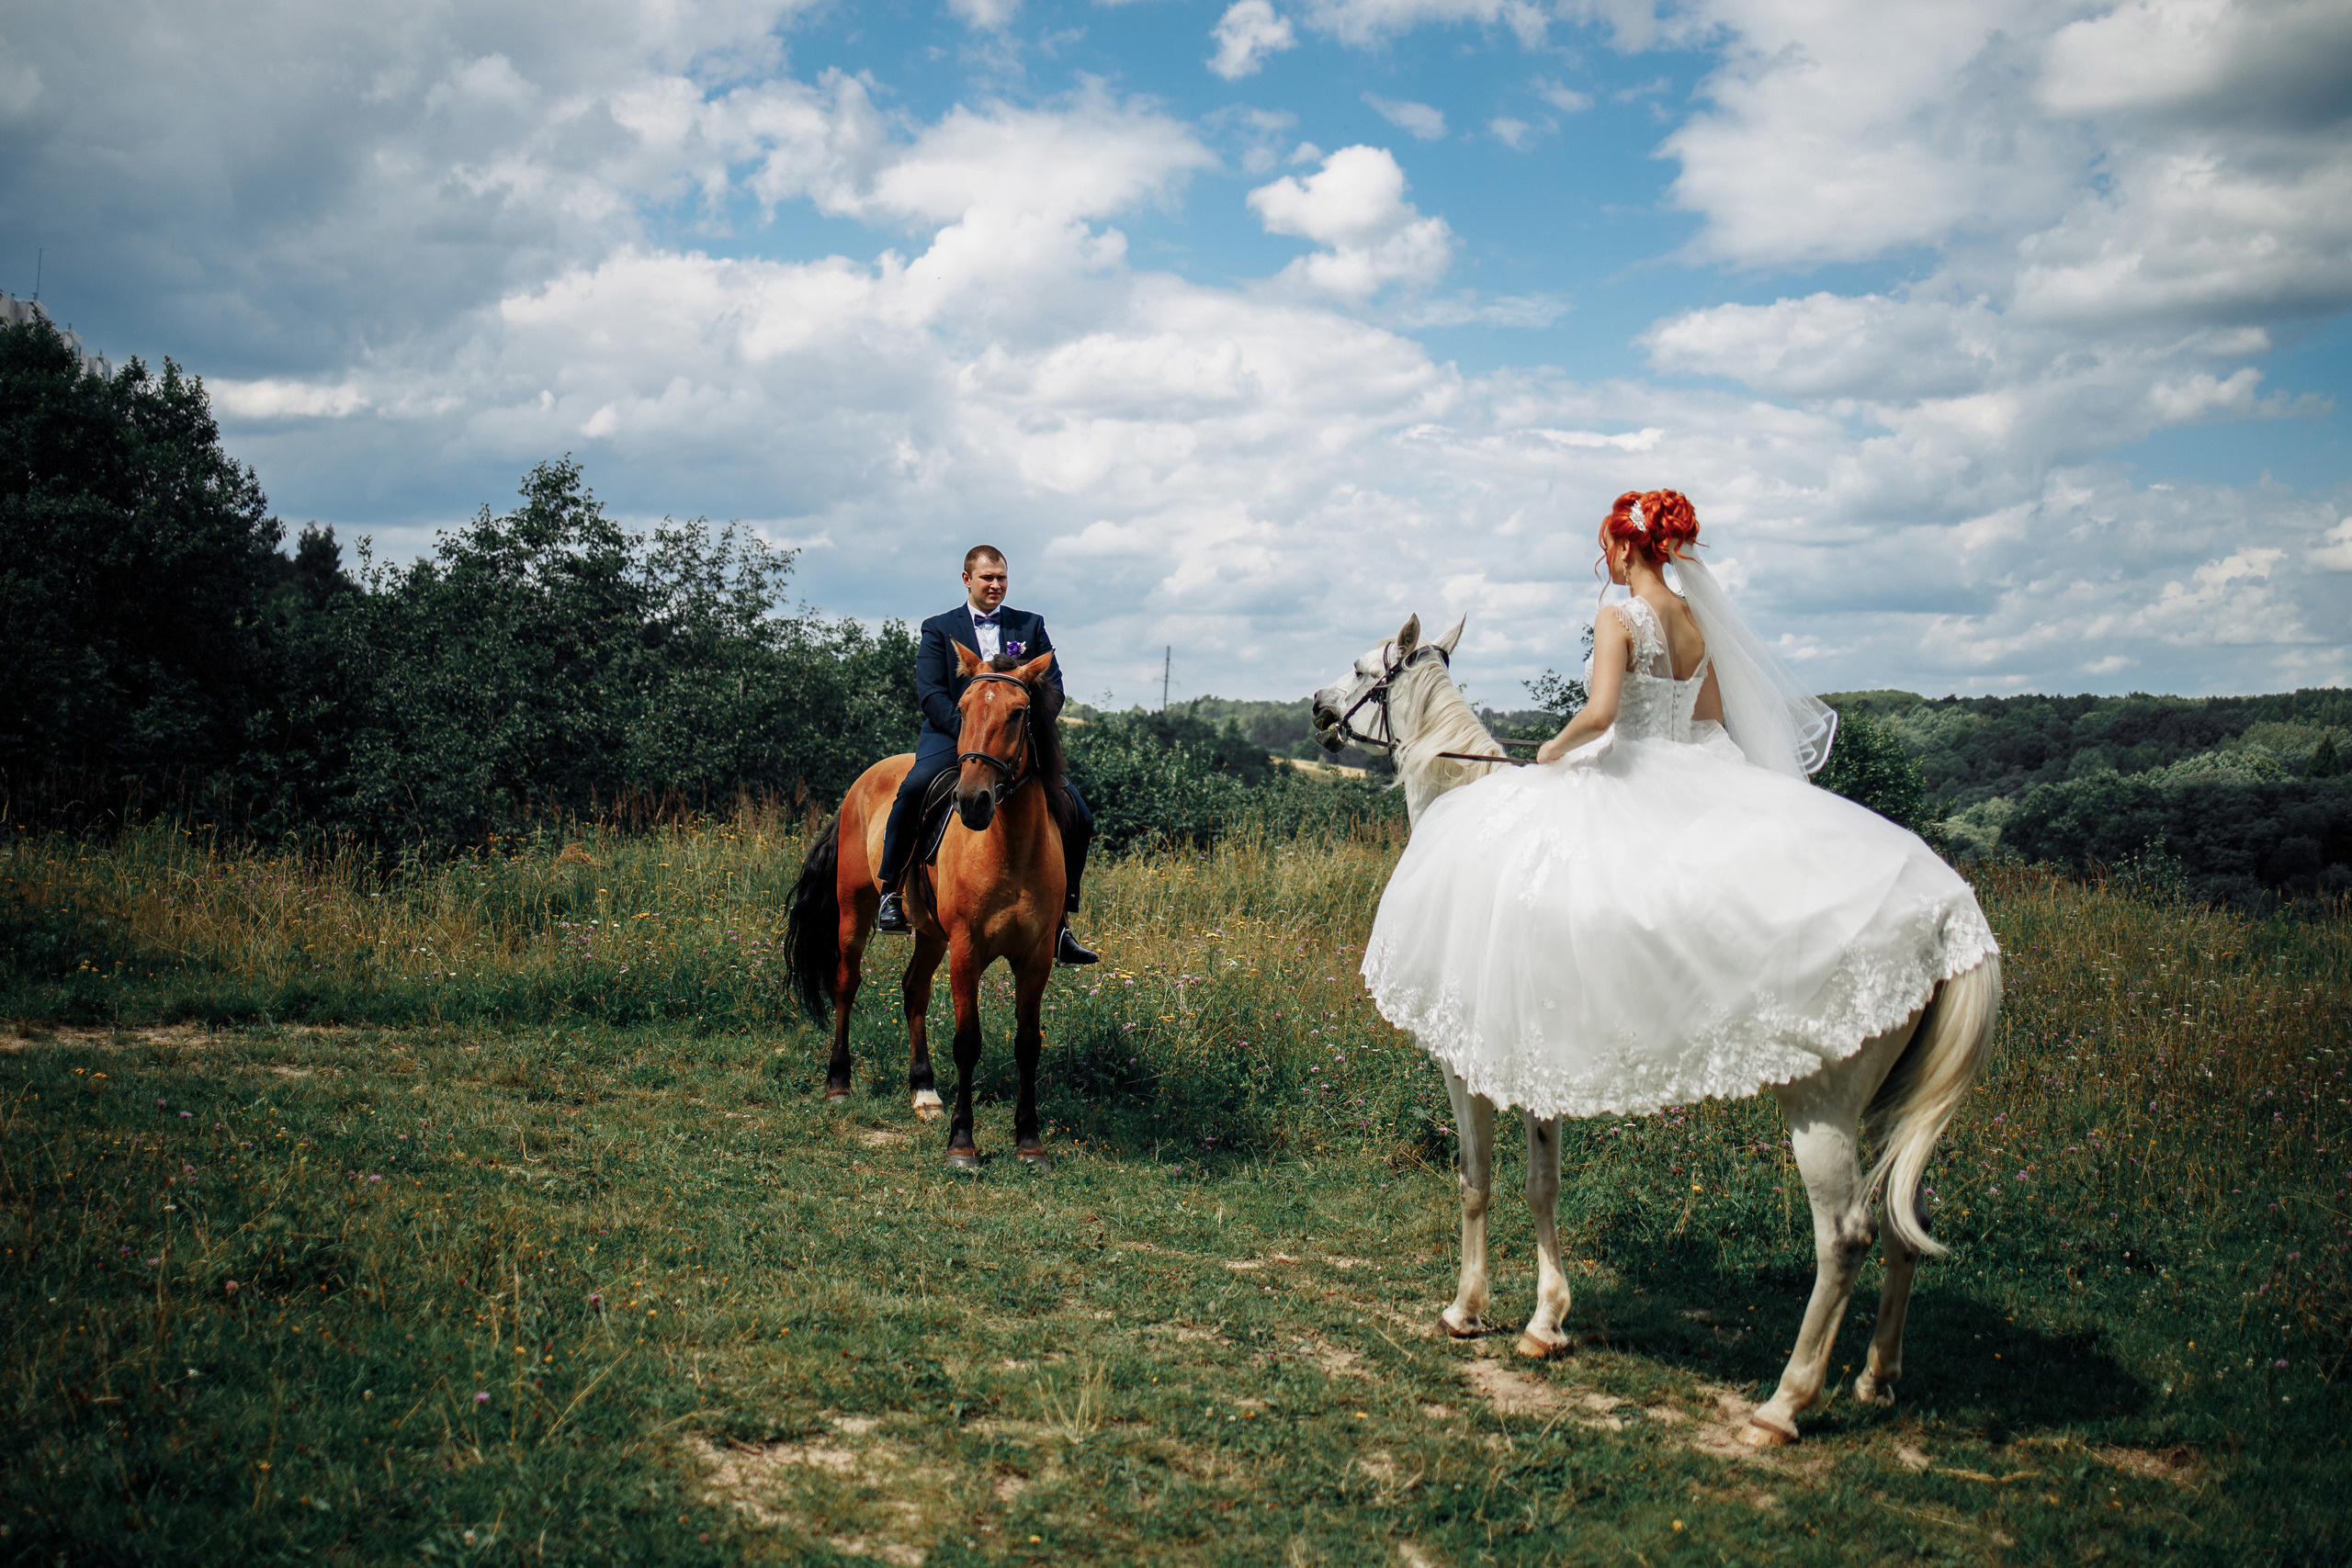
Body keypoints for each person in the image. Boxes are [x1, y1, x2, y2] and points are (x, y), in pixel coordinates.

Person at [1360, 490, 1995, 1120]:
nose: (1604, 560)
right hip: (1692, 761)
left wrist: (1557, 745)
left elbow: (1603, 713)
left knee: (1534, 876)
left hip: (1631, 767)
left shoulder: (1620, 618)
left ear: (1629, 545)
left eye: (1606, 546)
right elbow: (1710, 719)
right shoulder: (1696, 620)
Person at [875, 545, 1099, 966]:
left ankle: (1061, 922)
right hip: (954, 734)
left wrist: (1013, 728)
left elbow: (1055, 690)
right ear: (967, 580)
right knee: (913, 789)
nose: (995, 585)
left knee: (1080, 816)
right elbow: (931, 695)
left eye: (1001, 578)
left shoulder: (1030, 626)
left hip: (1015, 741)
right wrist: (976, 733)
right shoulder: (938, 628)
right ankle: (891, 892)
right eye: (986, 578)